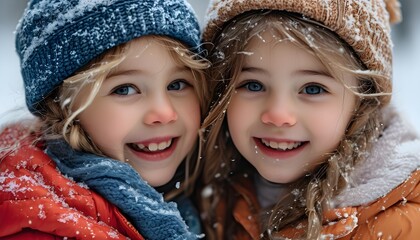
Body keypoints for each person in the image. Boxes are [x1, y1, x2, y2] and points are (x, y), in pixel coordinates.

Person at [199, 0, 420, 239]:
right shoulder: (210, 196)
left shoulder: (399, 224)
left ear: (362, 101)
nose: (278, 116)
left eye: (313, 89)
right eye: (253, 85)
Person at [0, 0, 209, 239]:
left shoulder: (208, 193)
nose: (164, 113)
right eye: (125, 89)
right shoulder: (43, 226)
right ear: (59, 106)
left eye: (177, 84)